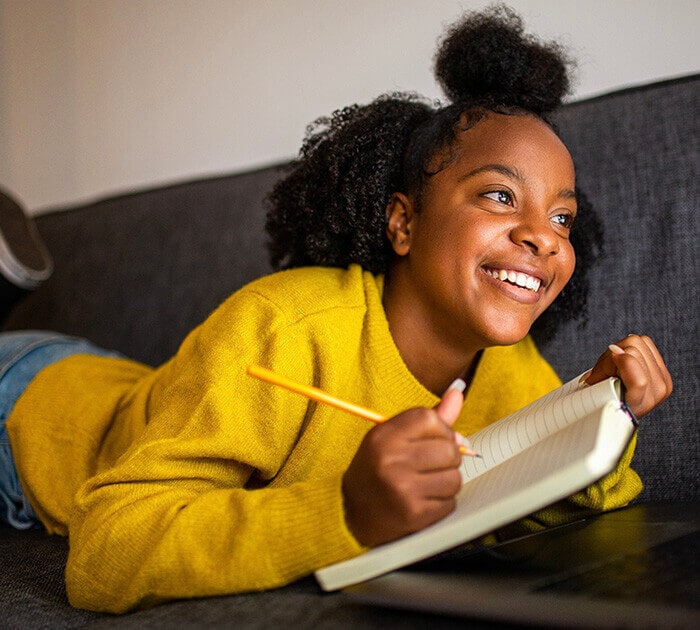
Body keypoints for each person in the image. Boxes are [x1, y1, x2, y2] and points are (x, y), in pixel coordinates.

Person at [0, 5, 671, 614]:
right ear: (402, 223)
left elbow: (565, 505)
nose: (544, 235)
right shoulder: (281, 327)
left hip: (129, 388)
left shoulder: (511, 368)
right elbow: (103, 557)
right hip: (28, 407)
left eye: (562, 216)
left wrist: (598, 410)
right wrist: (345, 511)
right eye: (499, 196)